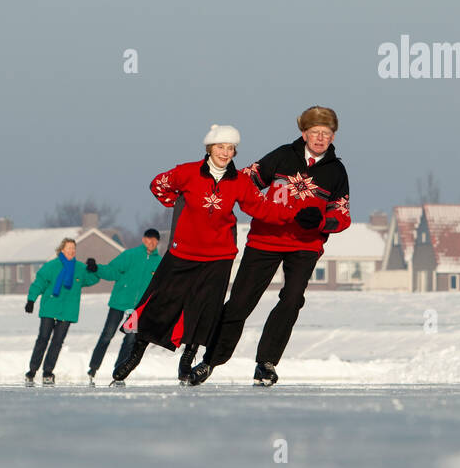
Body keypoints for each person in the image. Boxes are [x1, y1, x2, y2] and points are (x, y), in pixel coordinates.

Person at [112, 124, 322, 387]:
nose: (225, 152)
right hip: (183, 253)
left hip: (218, 257)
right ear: (209, 148)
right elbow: (158, 185)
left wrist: (296, 215)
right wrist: (175, 202)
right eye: (220, 146)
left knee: (204, 311)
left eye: (230, 148)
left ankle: (187, 360)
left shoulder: (240, 182)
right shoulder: (187, 172)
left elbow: (262, 208)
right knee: (160, 304)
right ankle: (136, 354)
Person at [189, 107, 350, 387]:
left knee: (292, 300)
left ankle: (266, 363)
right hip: (265, 240)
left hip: (305, 246)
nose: (320, 138)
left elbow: (343, 215)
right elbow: (244, 181)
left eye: (326, 133)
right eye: (315, 133)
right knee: (239, 303)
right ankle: (209, 361)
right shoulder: (282, 155)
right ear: (304, 133)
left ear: (333, 136)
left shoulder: (336, 171)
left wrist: (323, 220)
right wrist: (212, 182)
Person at [86, 229, 162, 383]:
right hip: (119, 302)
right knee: (107, 335)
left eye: (154, 240)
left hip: (137, 309)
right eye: (149, 239)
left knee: (130, 340)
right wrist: (97, 268)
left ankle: (118, 371)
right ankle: (93, 368)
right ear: (143, 239)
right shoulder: (130, 255)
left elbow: (161, 286)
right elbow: (112, 270)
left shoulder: (159, 262)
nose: (151, 242)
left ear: (157, 242)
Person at [24, 237, 100, 385]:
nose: (71, 251)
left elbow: (92, 279)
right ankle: (32, 370)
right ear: (62, 250)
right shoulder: (51, 266)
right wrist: (31, 300)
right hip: (50, 307)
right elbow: (39, 282)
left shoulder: (79, 268)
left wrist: (93, 269)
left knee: (57, 342)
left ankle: (48, 371)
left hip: (67, 310)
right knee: (43, 338)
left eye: (73, 248)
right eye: (68, 248)